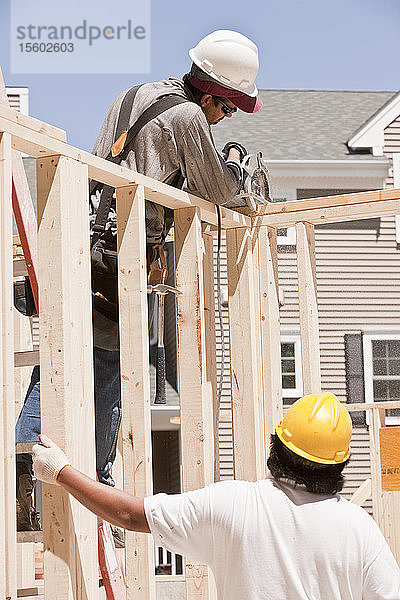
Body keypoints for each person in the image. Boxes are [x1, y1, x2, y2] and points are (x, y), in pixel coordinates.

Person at [15, 29, 263, 531]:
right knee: (111, 369)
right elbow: (215, 189)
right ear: (213, 94)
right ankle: (95, 480)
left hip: (82, 246)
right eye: (228, 108)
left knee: (63, 357)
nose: (224, 118)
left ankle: (27, 456)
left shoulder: (131, 96)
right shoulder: (189, 115)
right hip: (119, 260)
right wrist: (243, 181)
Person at [33, 392, 400, 599]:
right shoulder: (360, 530)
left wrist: (62, 472)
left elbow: (131, 515)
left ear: (277, 448)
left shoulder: (236, 505)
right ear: (338, 467)